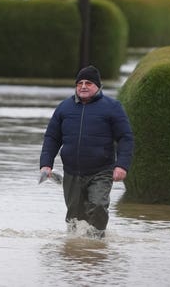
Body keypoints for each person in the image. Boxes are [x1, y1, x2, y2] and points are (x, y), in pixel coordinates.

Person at [39, 65, 134, 238]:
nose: (83, 86)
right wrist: (46, 164)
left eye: (88, 83)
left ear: (98, 86)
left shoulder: (112, 107)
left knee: (98, 206)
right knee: (75, 218)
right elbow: (52, 137)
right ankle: (76, 253)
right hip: (72, 172)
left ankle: (96, 245)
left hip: (101, 171)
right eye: (80, 83)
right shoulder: (64, 108)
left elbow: (125, 138)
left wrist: (122, 166)